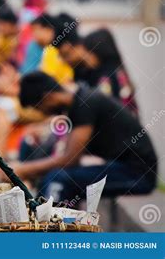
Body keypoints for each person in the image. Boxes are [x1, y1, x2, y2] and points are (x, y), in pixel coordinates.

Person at [14, 71, 157, 202]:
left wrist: (23, 169)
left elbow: (69, 159)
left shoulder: (85, 103)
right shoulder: (78, 103)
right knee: (54, 177)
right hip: (120, 167)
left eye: (39, 107)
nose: (43, 113)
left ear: (48, 97)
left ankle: (48, 228)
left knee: (59, 179)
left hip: (137, 174)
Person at [53, 27, 139, 115]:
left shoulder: (107, 76)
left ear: (99, 52)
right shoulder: (109, 71)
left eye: (88, 52)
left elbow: (99, 103)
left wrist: (76, 92)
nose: (85, 57)